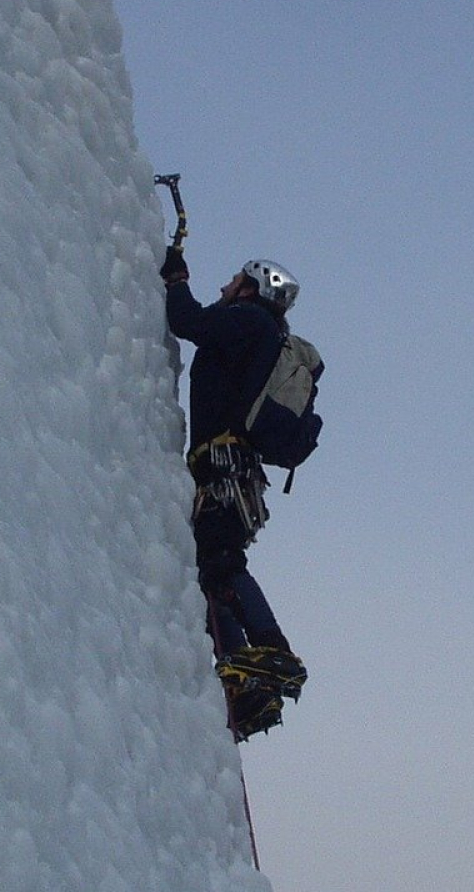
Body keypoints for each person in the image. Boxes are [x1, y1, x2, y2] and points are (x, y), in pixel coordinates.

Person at [161, 248, 307, 738]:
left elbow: (187, 322)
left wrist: (176, 278)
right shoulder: (260, 332)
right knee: (211, 568)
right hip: (228, 469)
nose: (225, 286)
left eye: (233, 279)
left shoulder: (248, 321)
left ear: (252, 289)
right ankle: (247, 678)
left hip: (224, 467)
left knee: (221, 561)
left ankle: (271, 648)